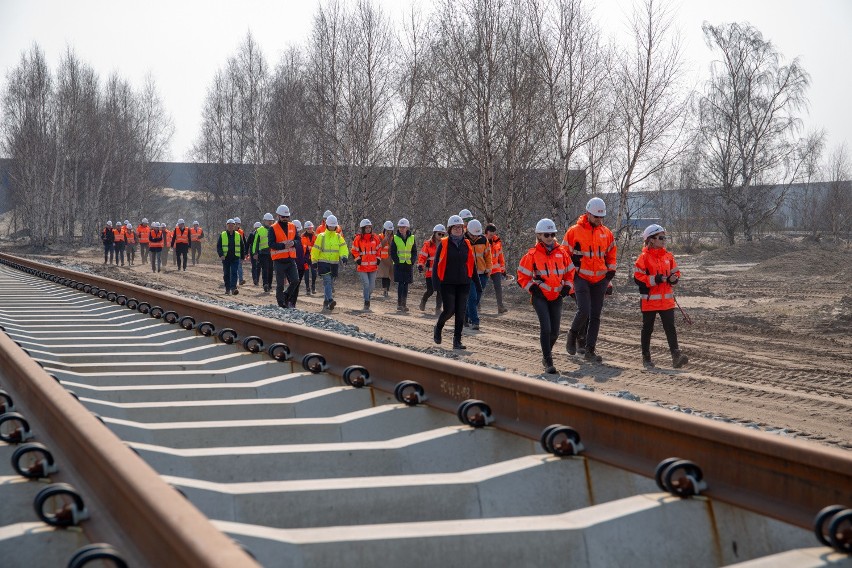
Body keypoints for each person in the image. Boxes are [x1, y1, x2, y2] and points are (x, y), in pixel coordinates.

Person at [518, 219, 575, 374]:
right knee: (546, 328)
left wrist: (568, 287)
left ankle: (545, 354)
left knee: (555, 332)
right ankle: (548, 361)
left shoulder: (562, 253)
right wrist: (532, 288)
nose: (550, 237)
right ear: (539, 235)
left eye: (552, 234)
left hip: (557, 296)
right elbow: (522, 276)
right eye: (546, 234)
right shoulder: (532, 255)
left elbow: (570, 272)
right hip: (540, 297)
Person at [562, 197, 617, 363]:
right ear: (588, 213)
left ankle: (590, 350)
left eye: (601, 217)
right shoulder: (574, 232)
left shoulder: (606, 233)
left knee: (595, 315)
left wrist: (610, 273)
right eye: (596, 217)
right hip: (581, 277)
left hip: (600, 278)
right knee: (584, 310)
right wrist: (573, 265)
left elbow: (611, 254)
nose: (599, 220)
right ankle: (572, 335)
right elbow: (564, 255)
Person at [634, 224, 688, 369]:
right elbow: (638, 278)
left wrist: (673, 278)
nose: (664, 240)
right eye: (661, 237)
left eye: (665, 237)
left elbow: (676, 273)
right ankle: (646, 357)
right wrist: (655, 279)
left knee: (670, 327)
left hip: (666, 301)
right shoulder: (643, 258)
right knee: (647, 329)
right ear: (651, 240)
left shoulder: (668, 256)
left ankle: (676, 356)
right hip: (649, 300)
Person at [432, 215, 482, 350]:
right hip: (447, 283)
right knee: (450, 310)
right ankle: (438, 327)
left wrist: (477, 284)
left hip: (464, 283)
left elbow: (472, 265)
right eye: (455, 227)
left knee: (461, 312)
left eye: (460, 227)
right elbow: (436, 265)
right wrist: (435, 284)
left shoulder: (467, 244)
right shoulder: (443, 244)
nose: (458, 229)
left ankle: (457, 341)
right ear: (450, 229)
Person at [311, 214, 348, 312]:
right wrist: (314, 261)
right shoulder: (321, 236)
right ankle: (331, 300)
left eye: (334, 226)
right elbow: (315, 250)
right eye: (330, 225)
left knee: (330, 284)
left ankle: (326, 303)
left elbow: (343, 247)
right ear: (327, 225)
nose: (332, 227)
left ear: (336, 226)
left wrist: (344, 257)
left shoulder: (338, 237)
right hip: (323, 263)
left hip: (334, 263)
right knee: (327, 282)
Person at [269, 205, 301, 308]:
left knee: (295, 280)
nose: (285, 218)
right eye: (283, 217)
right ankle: (281, 303)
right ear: (278, 216)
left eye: (287, 216)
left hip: (290, 259)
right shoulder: (273, 228)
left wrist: (293, 243)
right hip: (279, 260)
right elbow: (271, 244)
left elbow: (298, 240)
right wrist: (283, 245)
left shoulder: (292, 226)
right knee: (280, 284)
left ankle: (286, 296)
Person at [464, 219, 492, 330]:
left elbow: (488, 256)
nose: (475, 237)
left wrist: (489, 269)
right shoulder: (463, 240)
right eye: (473, 235)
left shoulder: (484, 240)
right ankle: (475, 321)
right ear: (468, 232)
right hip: (469, 274)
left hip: (482, 274)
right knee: (472, 297)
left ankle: (465, 316)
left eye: (477, 235)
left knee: (477, 298)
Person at [351, 219, 382, 310]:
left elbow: (379, 249)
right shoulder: (358, 239)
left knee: (372, 287)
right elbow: (354, 250)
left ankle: (367, 296)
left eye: (369, 227)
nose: (368, 229)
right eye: (366, 228)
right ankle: (366, 302)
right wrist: (357, 259)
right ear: (363, 229)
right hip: (362, 267)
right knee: (366, 284)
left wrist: (378, 258)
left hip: (373, 266)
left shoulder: (375, 238)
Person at [417, 224, 446, 313]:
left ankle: (438, 309)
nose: (441, 236)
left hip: (441, 272)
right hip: (430, 273)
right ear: (434, 234)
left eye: (442, 234)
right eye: (439, 234)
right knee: (430, 290)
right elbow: (422, 256)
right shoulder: (428, 244)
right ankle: (423, 301)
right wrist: (421, 265)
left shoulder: (445, 244)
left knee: (440, 291)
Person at [390, 218, 416, 312]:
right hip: (399, 265)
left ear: (407, 228)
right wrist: (397, 261)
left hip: (408, 264)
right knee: (401, 284)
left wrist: (412, 261)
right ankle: (400, 304)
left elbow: (414, 251)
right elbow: (392, 252)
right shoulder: (395, 238)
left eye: (403, 227)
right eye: (400, 227)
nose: (401, 229)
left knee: (406, 285)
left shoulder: (412, 238)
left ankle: (404, 304)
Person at [485, 223, 508, 314]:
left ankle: (500, 307)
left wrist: (503, 269)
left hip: (496, 269)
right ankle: (476, 305)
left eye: (493, 234)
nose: (492, 236)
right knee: (480, 288)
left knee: (498, 287)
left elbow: (500, 256)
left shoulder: (498, 241)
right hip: (485, 268)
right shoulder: (481, 241)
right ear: (486, 232)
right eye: (490, 234)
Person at [217, 219, 241, 295]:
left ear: (234, 226)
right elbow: (219, 246)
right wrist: (221, 255)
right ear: (227, 226)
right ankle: (227, 289)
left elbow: (242, 246)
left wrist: (243, 256)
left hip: (235, 258)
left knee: (234, 272)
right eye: (229, 225)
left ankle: (233, 288)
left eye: (232, 225)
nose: (230, 227)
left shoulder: (238, 235)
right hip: (226, 258)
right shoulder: (223, 234)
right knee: (226, 274)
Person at [253, 213, 274, 293]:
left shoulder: (274, 229)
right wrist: (255, 253)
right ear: (264, 221)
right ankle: (265, 284)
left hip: (272, 253)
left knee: (271, 269)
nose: (269, 222)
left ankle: (270, 285)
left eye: (271, 221)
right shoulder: (259, 230)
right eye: (268, 221)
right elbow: (256, 243)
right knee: (265, 269)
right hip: (263, 253)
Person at [376, 220, 395, 297]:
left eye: (391, 230)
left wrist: (390, 241)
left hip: (390, 259)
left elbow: (393, 248)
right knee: (385, 275)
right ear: (385, 229)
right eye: (388, 230)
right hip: (383, 259)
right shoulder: (380, 236)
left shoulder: (394, 238)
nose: (389, 232)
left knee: (390, 276)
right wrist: (385, 239)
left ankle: (387, 290)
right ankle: (385, 290)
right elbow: (379, 247)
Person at [301, 221, 317, 295]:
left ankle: (313, 286)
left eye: (311, 228)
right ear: (306, 229)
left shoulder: (316, 236)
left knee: (314, 273)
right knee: (306, 273)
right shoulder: (302, 237)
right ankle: (307, 288)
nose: (310, 229)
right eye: (308, 228)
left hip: (313, 257)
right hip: (305, 258)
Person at [234, 217, 246, 285]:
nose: (237, 225)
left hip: (239, 253)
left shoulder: (241, 232)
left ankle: (241, 280)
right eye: (236, 224)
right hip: (231, 253)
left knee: (239, 267)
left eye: (238, 224)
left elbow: (244, 242)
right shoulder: (229, 232)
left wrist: (244, 252)